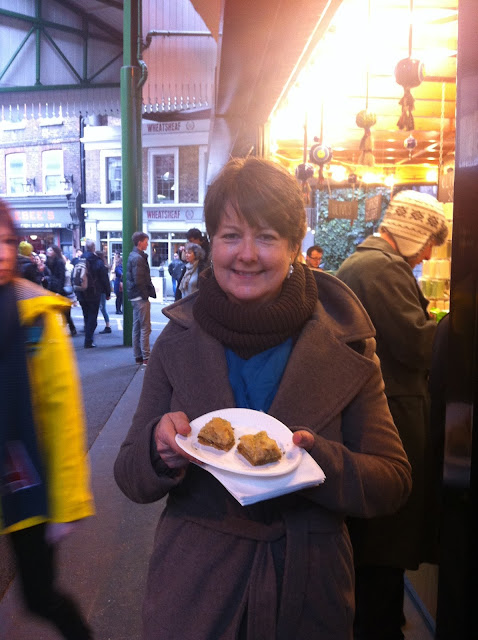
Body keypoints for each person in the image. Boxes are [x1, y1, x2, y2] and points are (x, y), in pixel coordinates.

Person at [114, 157, 412, 640]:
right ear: (212, 245)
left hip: (308, 585)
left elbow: (392, 481)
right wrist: (159, 449)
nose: (246, 254)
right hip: (194, 589)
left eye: (268, 236)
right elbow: (130, 475)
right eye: (231, 235)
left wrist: (313, 461)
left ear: (296, 246)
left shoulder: (348, 340)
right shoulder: (177, 339)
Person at [335, 189, 448, 640]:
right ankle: (380, 626)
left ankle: (381, 619)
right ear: (413, 232)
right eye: (428, 243)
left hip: (373, 417)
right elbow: (419, 345)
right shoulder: (381, 268)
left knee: (377, 538)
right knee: (384, 537)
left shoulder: (370, 263)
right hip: (391, 418)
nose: (428, 254)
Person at [0, 199, 95, 639]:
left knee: (38, 597)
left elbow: (64, 412)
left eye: (6, 241)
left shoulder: (35, 313)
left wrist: (67, 502)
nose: (3, 252)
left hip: (27, 484)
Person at [126, 231, 156, 365]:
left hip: (134, 296)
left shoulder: (133, 256)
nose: (147, 244)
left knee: (137, 326)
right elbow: (140, 280)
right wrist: (145, 294)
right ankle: (146, 357)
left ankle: (138, 356)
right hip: (140, 296)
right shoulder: (138, 258)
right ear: (140, 242)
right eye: (145, 241)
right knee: (145, 327)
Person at [77, 240, 111, 349]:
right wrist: (107, 292)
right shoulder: (97, 262)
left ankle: (88, 338)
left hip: (81, 291)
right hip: (93, 292)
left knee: (86, 315)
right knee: (92, 316)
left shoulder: (79, 260)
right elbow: (104, 279)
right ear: (93, 248)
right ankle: (88, 340)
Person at [46, 245, 77, 337]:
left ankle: (71, 328)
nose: (48, 251)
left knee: (65, 311)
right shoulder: (49, 261)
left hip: (58, 289)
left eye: (51, 250)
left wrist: (59, 291)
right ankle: (63, 329)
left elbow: (61, 277)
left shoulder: (59, 262)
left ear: (55, 251)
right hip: (51, 288)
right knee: (54, 310)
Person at [95, 251, 112, 334]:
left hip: (100, 290)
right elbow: (106, 281)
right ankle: (107, 325)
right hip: (102, 290)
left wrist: (108, 293)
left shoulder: (99, 266)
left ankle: (108, 325)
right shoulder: (103, 265)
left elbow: (105, 281)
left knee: (102, 308)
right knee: (102, 308)